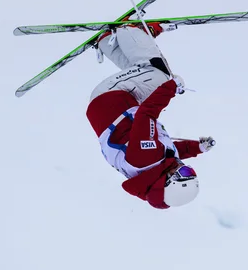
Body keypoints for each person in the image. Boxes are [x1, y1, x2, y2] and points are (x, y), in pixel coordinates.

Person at [86, 22, 215, 209]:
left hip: (111, 97)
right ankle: (108, 42)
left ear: (169, 180)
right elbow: (170, 152)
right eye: (190, 170)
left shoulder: (146, 158)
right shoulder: (152, 170)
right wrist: (198, 148)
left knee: (160, 75)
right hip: (119, 104)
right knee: (145, 72)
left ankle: (129, 30)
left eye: (185, 172)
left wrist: (171, 87)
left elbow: (147, 115)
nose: (183, 167)